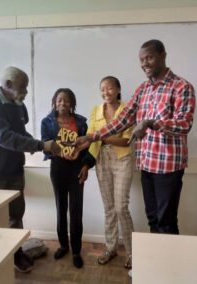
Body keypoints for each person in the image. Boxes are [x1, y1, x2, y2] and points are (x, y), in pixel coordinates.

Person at [75, 39, 196, 236]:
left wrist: (151, 123)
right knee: (153, 219)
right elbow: (122, 120)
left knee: (166, 221)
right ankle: (155, 263)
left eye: (149, 57)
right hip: (147, 164)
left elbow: (184, 124)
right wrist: (91, 137)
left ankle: (170, 265)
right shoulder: (143, 89)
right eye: (141, 59)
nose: (144, 63)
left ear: (163, 56)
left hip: (168, 167)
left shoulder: (182, 86)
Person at [0, 66, 60, 273]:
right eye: (23, 87)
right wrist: (40, 146)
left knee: (15, 216)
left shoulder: (18, 105)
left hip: (14, 171)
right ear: (8, 85)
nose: (26, 91)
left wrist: (42, 144)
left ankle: (16, 254)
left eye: (27, 87)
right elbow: (3, 137)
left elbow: (20, 132)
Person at [41, 88, 93, 269]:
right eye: (59, 100)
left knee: (76, 210)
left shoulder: (81, 122)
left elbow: (89, 147)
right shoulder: (47, 122)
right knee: (60, 208)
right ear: (54, 102)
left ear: (72, 103)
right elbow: (45, 146)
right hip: (58, 168)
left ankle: (77, 250)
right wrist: (62, 152)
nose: (62, 103)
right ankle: (63, 245)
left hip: (77, 169)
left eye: (66, 100)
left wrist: (86, 165)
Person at [87, 76, 134, 269]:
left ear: (118, 90)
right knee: (109, 208)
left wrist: (103, 137)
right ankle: (111, 247)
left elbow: (127, 140)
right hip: (102, 160)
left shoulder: (127, 110)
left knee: (121, 207)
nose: (106, 92)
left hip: (122, 158)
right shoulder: (96, 110)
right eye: (102, 89)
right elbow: (91, 136)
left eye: (110, 88)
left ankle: (132, 252)